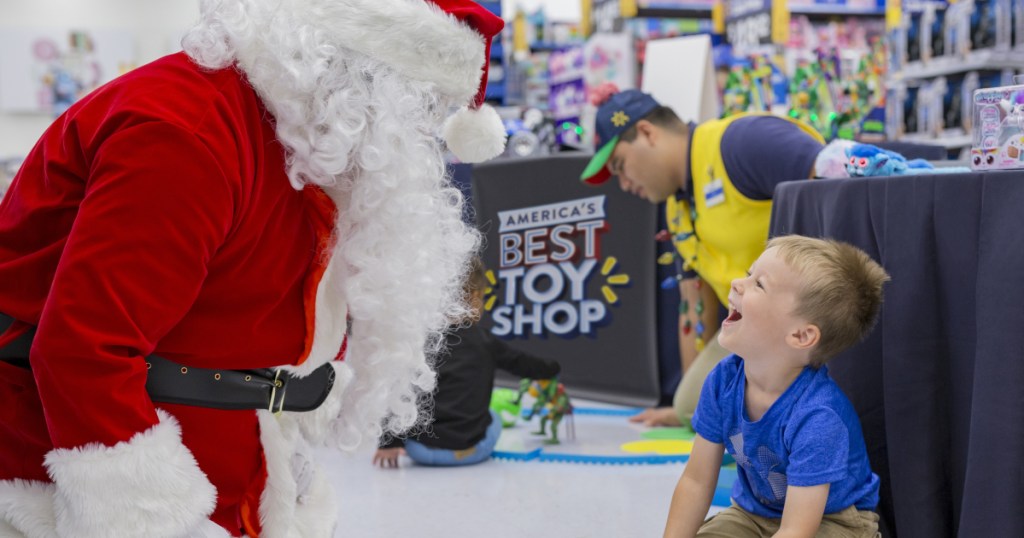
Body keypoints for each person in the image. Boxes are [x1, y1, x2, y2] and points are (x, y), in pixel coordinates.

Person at [0, 1, 509, 536]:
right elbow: (84, 352)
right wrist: (159, 517)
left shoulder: (309, 144)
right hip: (84, 485)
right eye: (418, 104)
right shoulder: (185, 132)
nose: (419, 134)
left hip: (243, 465)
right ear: (359, 74)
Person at [578, 86, 826, 429]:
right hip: (757, 329)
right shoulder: (677, 209)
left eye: (620, 166)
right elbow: (694, 304)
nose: (623, 184)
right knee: (692, 406)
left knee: (735, 409)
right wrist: (685, 407)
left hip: (813, 314)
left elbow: (836, 182)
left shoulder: (740, 142)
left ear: (647, 133)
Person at [662, 235, 889, 537]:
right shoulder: (722, 382)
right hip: (754, 513)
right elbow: (696, 481)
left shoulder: (819, 418)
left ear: (800, 336)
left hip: (832, 521)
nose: (736, 283)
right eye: (748, 274)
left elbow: (797, 529)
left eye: (759, 284)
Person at [374, 257, 561, 467]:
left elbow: (401, 394)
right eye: (482, 297)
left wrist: (389, 443)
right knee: (495, 418)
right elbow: (523, 363)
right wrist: (552, 368)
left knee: (409, 403)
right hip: (472, 450)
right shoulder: (486, 342)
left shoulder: (421, 345)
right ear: (474, 298)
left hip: (422, 451)